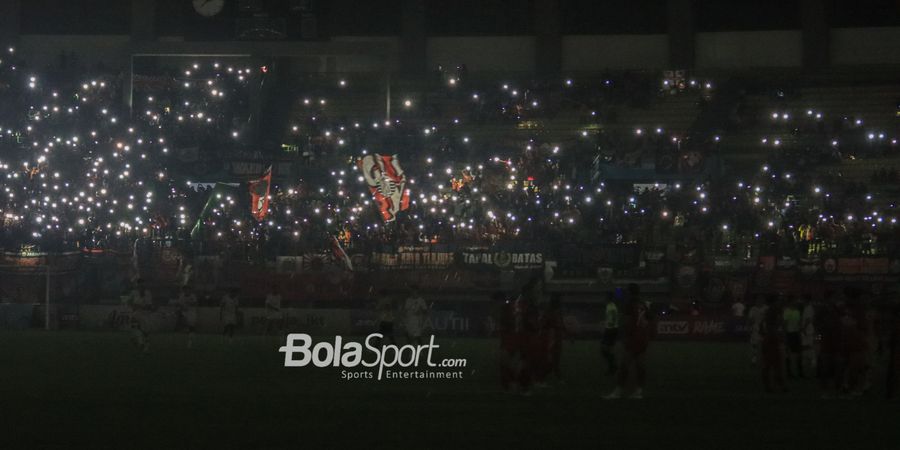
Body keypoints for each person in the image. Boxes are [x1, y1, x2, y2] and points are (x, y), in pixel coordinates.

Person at [605, 284, 652, 399]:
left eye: (627, 291)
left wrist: (623, 336)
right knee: (640, 365)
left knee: (624, 365)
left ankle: (618, 391)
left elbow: (627, 322)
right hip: (643, 337)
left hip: (633, 338)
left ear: (630, 292)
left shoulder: (630, 304)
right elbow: (649, 318)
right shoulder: (643, 304)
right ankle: (639, 391)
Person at [760, 295, 787, 394]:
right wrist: (779, 336)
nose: (779, 302)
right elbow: (773, 326)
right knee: (774, 364)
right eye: (777, 301)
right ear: (774, 302)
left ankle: (775, 386)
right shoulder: (772, 311)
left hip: (769, 339)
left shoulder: (769, 311)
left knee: (771, 364)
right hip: (772, 339)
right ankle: (776, 386)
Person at [540, 294, 568, 383]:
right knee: (551, 360)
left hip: (557, 337)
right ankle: (541, 376)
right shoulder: (549, 312)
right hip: (551, 337)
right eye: (560, 301)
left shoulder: (557, 312)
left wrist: (566, 333)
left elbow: (561, 323)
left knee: (556, 359)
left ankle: (556, 375)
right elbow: (544, 324)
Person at [129, 279, 153, 354]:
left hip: (145, 314)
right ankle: (140, 343)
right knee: (134, 325)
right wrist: (133, 306)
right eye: (140, 284)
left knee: (145, 331)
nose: (141, 286)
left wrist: (142, 306)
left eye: (143, 284)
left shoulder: (148, 293)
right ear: (138, 285)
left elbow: (149, 305)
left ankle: (145, 344)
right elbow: (129, 301)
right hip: (136, 312)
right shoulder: (134, 292)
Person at [783, 296, 803, 378]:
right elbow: (785, 324)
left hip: (796, 333)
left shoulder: (797, 311)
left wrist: (799, 333)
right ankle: (789, 372)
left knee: (799, 353)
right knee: (789, 353)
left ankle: (799, 372)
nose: (795, 303)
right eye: (794, 301)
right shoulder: (787, 311)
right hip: (789, 333)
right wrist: (785, 335)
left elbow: (798, 323)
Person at [601, 292, 619, 376]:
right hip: (611, 329)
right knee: (607, 350)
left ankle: (613, 367)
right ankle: (613, 367)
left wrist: (609, 327)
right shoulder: (609, 306)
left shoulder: (611, 307)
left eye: (605, 297)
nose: (604, 299)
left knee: (604, 349)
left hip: (611, 330)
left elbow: (613, 317)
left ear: (608, 298)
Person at [747, 295, 767, 365]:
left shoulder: (766, 308)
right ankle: (754, 359)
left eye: (761, 300)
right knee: (754, 345)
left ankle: (764, 359)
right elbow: (750, 320)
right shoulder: (753, 309)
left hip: (764, 330)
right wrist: (749, 327)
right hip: (755, 329)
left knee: (764, 345)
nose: (759, 301)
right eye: (758, 300)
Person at [800, 294, 817, 376]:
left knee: (809, 346)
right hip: (807, 330)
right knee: (806, 347)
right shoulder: (807, 308)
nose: (802, 301)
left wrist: (804, 328)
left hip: (808, 330)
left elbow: (808, 319)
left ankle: (813, 362)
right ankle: (808, 362)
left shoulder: (809, 308)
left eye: (803, 299)